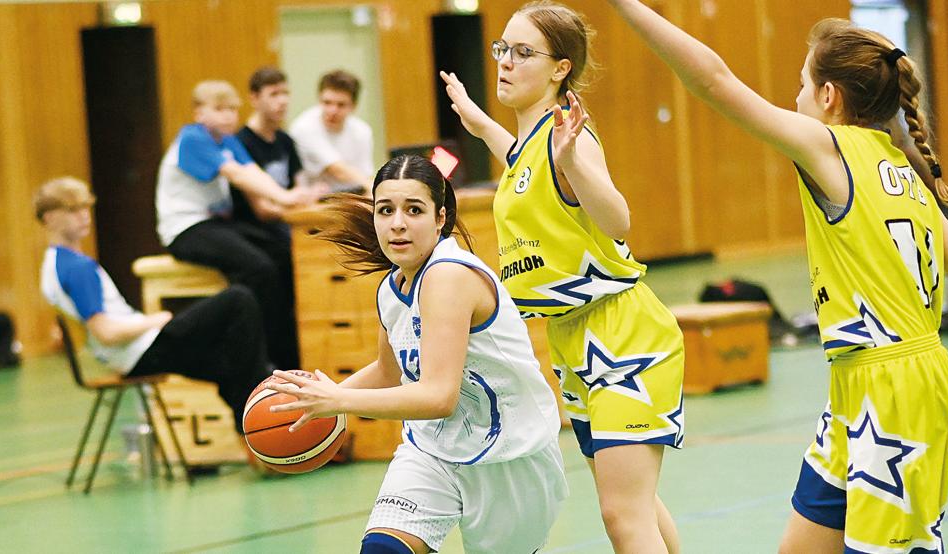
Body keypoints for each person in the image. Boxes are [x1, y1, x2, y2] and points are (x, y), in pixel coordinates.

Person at [607, 2, 948, 552]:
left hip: (896, 386)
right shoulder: (906, 175)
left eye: (800, 85)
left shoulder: (831, 147)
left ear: (829, 97)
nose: (793, 100)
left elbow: (714, 82)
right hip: (864, 383)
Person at [440, 2, 685, 552]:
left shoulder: (568, 140)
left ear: (560, 68)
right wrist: (479, 123)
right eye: (502, 48)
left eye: (524, 53)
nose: (505, 62)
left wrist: (573, 161)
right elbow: (526, 166)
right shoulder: (530, 144)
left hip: (622, 333)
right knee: (636, 506)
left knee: (623, 515)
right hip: (572, 338)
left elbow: (618, 219)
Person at [266, 155, 567, 554]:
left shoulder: (450, 276)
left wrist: (340, 400)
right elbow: (389, 372)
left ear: (440, 218)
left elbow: (439, 397)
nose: (397, 223)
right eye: (385, 210)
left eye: (414, 210)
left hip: (510, 455)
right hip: (433, 450)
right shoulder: (392, 288)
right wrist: (319, 399)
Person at [36, 176, 270, 437]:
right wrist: (155, 320)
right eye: (72, 210)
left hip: (131, 354)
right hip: (141, 350)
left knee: (234, 363)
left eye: (85, 208)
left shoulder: (51, 266)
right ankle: (256, 430)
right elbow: (107, 333)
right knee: (239, 299)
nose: (83, 216)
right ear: (50, 218)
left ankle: (256, 431)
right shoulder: (78, 268)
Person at [156, 80, 316, 371]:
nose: (228, 116)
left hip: (216, 224)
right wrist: (285, 197)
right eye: (219, 109)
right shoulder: (193, 138)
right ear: (198, 113)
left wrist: (286, 198)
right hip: (186, 228)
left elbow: (252, 171)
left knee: (282, 251)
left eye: (232, 109)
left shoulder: (229, 141)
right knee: (258, 268)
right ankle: (259, 357)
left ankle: (289, 347)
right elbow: (237, 176)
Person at [233, 67, 305, 365]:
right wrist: (293, 204)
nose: (282, 101)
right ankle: (279, 359)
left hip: (286, 228)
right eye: (274, 94)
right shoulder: (241, 143)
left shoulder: (286, 141)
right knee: (276, 272)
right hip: (255, 233)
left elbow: (301, 188)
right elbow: (262, 208)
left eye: (285, 93)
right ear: (254, 98)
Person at [289, 69, 374, 192]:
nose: (332, 111)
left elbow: (366, 175)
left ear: (353, 106)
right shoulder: (304, 127)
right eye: (327, 103)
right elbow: (338, 171)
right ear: (319, 100)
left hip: (352, 195)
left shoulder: (362, 131)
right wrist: (373, 188)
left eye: (341, 105)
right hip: (315, 200)